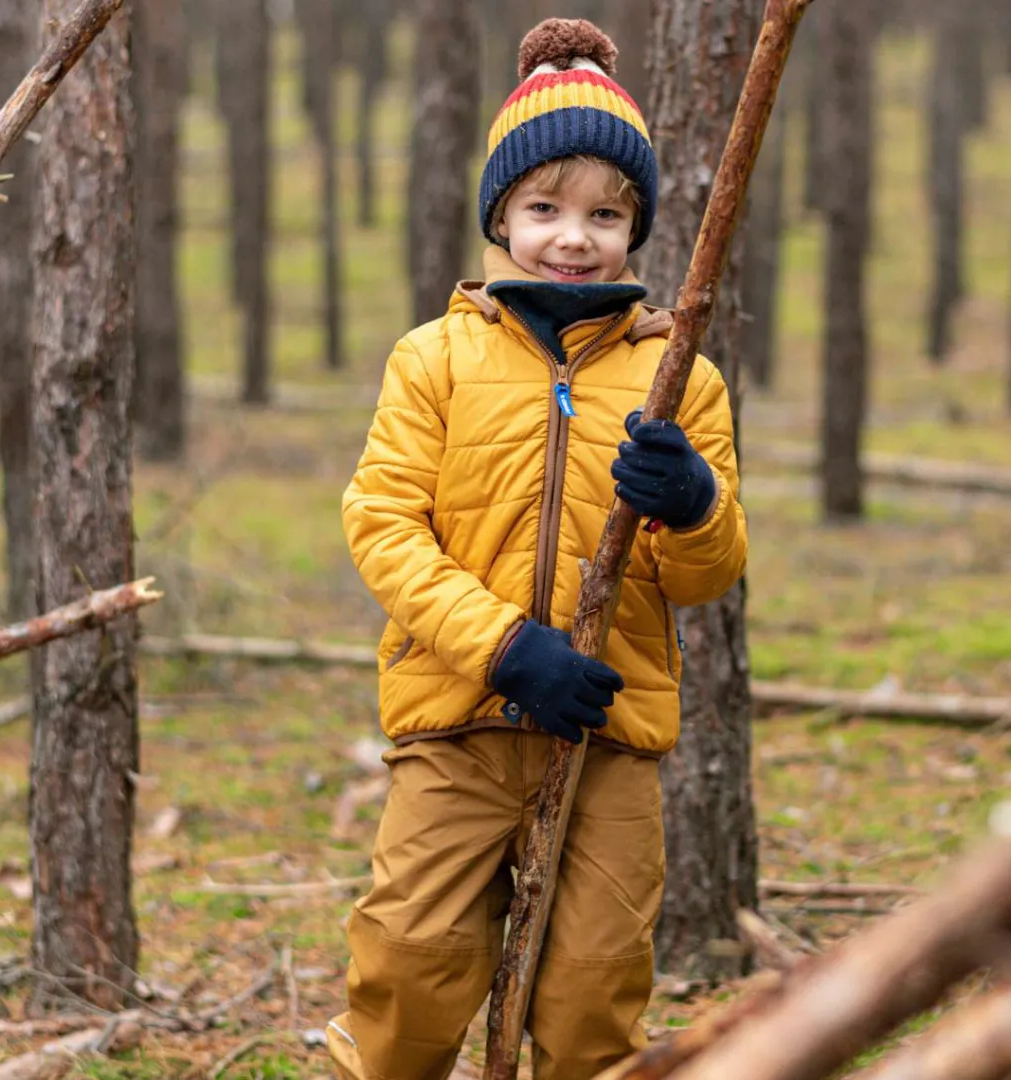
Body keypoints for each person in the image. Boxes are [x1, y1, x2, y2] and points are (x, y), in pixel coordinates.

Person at [328, 17, 748, 1080]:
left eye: (607, 214)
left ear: (636, 227)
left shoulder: (679, 378)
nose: (575, 237)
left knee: (595, 984)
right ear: (500, 214)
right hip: (460, 721)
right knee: (410, 959)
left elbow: (708, 574)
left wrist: (691, 504)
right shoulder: (435, 359)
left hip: (610, 734)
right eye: (546, 208)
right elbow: (383, 523)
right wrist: (507, 648)